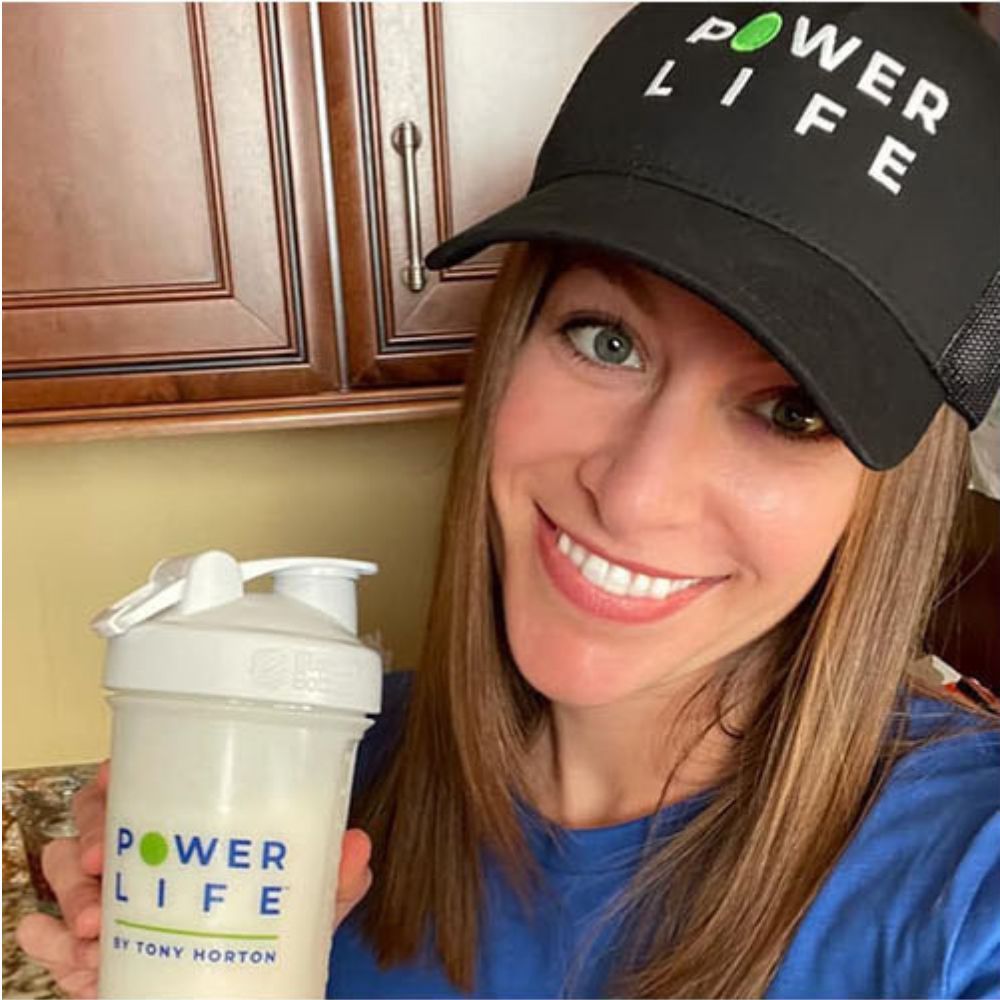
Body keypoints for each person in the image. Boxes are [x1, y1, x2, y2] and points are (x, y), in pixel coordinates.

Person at [16, 4, 1000, 997]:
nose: (633, 491)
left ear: (889, 496)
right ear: (513, 340)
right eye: (605, 339)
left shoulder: (972, 889)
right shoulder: (309, 773)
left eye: (790, 410)